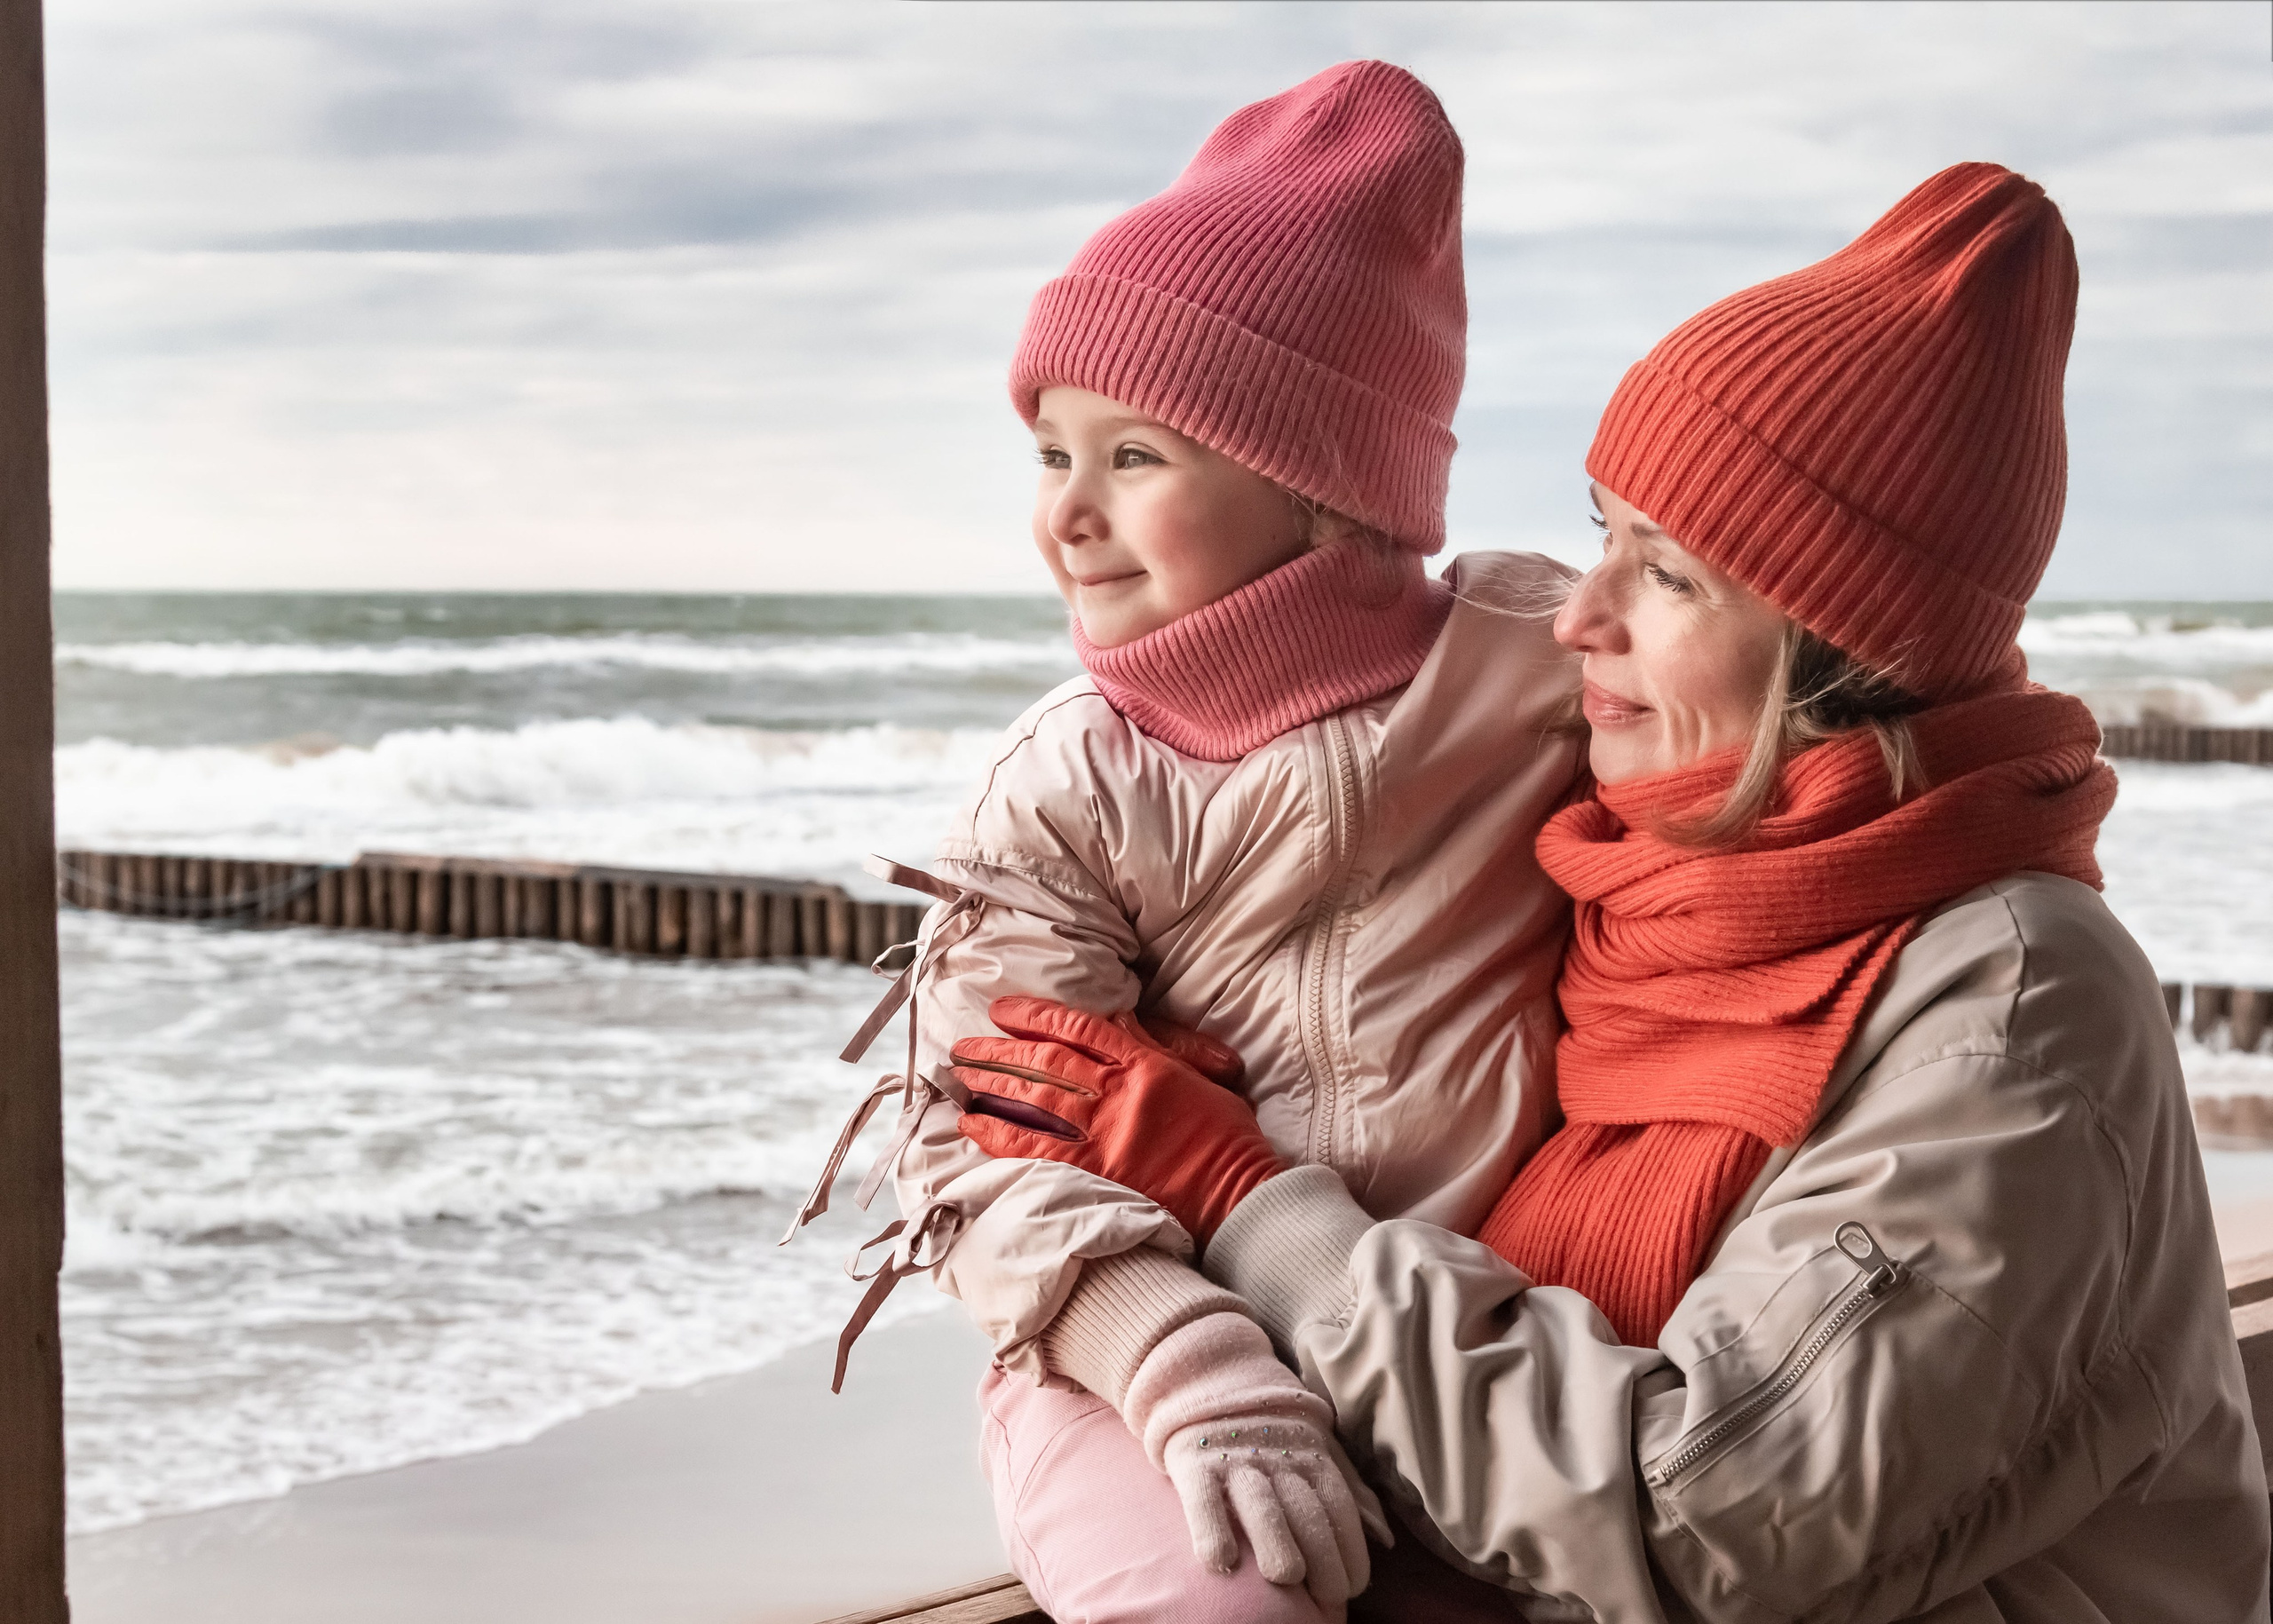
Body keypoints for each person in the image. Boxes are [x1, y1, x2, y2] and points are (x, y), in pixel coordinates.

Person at [954, 162, 2273, 1620]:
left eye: (1670, 577)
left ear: (1835, 651)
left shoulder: (2009, 1009)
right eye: (1602, 537)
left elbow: (1696, 1520)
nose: (1580, 616)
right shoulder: (1650, 884)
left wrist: (1249, 1199)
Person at [788, 60, 1584, 1620]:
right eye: (1049, 453)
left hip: (1465, 1331)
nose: (1064, 516)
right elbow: (978, 1145)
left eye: (1134, 458)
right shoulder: (1071, 784)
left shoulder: (1544, 668)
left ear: (1327, 485)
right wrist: (1185, 1358)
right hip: (1132, 1350)